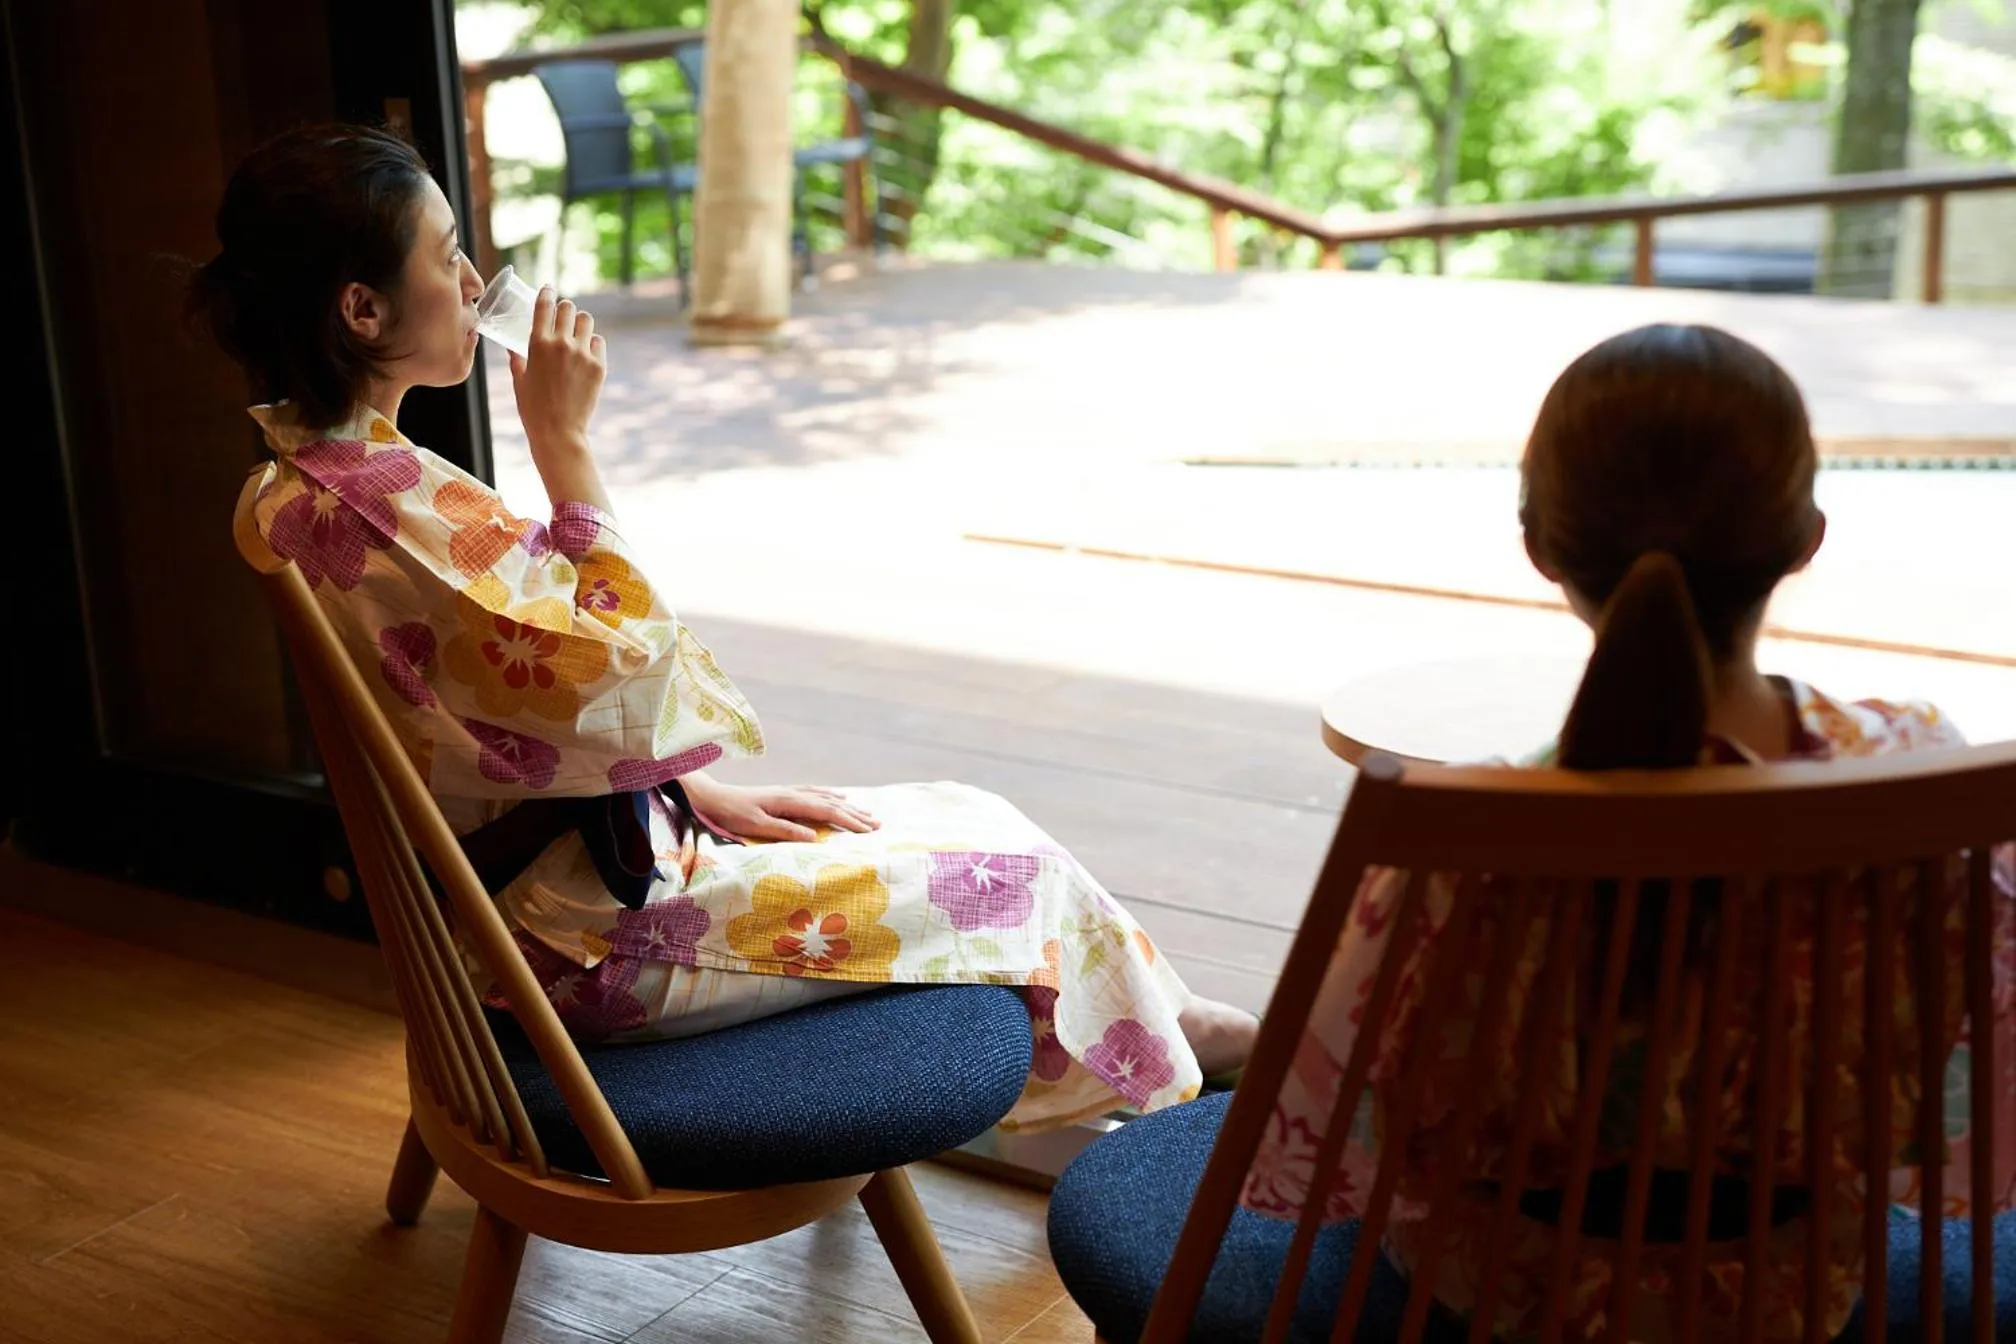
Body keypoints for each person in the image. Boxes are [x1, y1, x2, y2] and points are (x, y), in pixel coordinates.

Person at [191, 123, 1256, 1130]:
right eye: (446, 254)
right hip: (588, 944)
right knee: (1018, 881)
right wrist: (565, 444)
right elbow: (630, 670)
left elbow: (513, 716)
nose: (475, 283)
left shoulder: (312, 481)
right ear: (363, 311)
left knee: (971, 812)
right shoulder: (385, 514)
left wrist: (694, 795)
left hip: (573, 878)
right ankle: (1204, 1060)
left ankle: (1192, 1038)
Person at [1240, 324, 2016, 1340]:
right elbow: (1978, 1067)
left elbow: (1342, 1121)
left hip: (1502, 1286)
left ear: (1541, 549)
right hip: (1792, 1289)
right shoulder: (1918, 774)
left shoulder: (1468, 835)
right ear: (1805, 539)